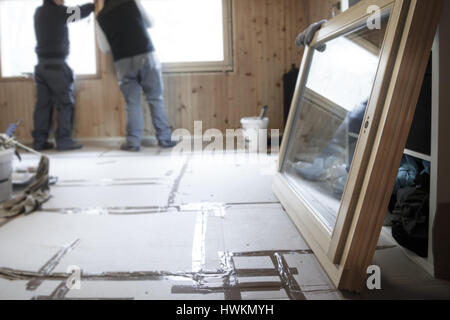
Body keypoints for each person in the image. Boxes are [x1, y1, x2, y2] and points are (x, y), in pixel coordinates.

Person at [96, 0, 177, 152]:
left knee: (132, 103)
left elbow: (105, 48)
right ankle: (165, 139)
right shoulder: (131, 3)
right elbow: (150, 23)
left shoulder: (101, 17)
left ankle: (133, 143)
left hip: (122, 61)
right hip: (146, 55)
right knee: (155, 98)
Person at [33, 0, 95, 151]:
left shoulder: (39, 12)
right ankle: (64, 141)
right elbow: (80, 12)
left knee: (43, 106)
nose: (64, 1)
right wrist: (94, 4)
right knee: (65, 104)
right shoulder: (58, 12)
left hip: (41, 66)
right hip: (57, 66)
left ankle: (39, 142)